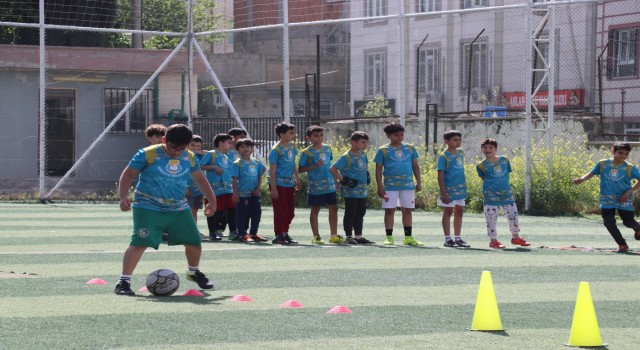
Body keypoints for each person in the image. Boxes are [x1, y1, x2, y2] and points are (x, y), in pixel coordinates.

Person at [114, 124, 216, 296]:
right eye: (172, 147)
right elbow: (128, 175)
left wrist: (212, 201)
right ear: (163, 140)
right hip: (147, 205)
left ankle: (193, 272)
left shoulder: (189, 157)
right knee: (140, 242)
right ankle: (123, 282)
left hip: (178, 207)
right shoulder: (147, 154)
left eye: (181, 149)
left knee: (194, 241)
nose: (176, 152)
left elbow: (199, 178)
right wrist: (123, 197)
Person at [573, 142, 640, 252]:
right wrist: (581, 179)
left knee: (628, 222)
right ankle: (622, 245)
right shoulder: (603, 164)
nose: (623, 156)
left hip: (624, 198)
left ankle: (637, 227)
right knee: (608, 222)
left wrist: (629, 191)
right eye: (620, 153)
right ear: (613, 151)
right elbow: (590, 174)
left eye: (626, 154)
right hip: (606, 199)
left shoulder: (630, 167)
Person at [374, 122, 423, 246]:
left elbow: (415, 166)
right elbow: (378, 170)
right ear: (388, 136)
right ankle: (389, 237)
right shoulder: (383, 150)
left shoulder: (410, 148)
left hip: (407, 185)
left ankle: (408, 237)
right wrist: (380, 187)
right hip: (390, 186)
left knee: (407, 211)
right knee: (389, 211)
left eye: (402, 134)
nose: (400, 137)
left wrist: (419, 182)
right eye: (396, 135)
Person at [476, 138, 531, 249]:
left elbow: (506, 174)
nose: (488, 150)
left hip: (506, 195)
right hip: (490, 196)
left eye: (491, 147)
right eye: (485, 147)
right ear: (481, 149)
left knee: (513, 215)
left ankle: (516, 238)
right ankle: (493, 241)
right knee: (491, 219)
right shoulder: (481, 165)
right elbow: (484, 178)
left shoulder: (504, 160)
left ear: (496, 149)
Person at [298, 125, 343, 244]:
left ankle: (333, 235)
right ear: (309, 138)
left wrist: (336, 180)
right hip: (315, 187)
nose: (319, 138)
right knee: (315, 209)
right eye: (316, 136)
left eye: (321, 135)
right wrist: (314, 166)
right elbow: (300, 169)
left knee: (334, 208)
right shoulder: (306, 152)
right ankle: (316, 236)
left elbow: (330, 166)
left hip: (329, 185)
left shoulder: (328, 148)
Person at [330, 131, 374, 244]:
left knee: (360, 213)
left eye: (366, 143)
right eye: (363, 142)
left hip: (362, 190)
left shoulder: (363, 154)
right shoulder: (346, 156)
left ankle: (358, 236)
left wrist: (367, 175)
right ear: (354, 142)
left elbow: (365, 166)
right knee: (350, 212)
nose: (365, 145)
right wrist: (342, 179)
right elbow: (333, 168)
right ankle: (349, 236)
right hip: (351, 190)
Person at [269, 121, 301, 245]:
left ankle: (285, 233)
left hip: (289, 183)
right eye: (291, 133)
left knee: (290, 211)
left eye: (294, 133)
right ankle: (278, 235)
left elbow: (293, 164)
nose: (294, 135)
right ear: (282, 134)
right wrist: (274, 187)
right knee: (280, 210)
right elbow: (272, 170)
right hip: (278, 183)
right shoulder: (276, 150)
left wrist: (297, 179)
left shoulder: (292, 147)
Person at [437, 130, 470, 248]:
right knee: (448, 212)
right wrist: (443, 192)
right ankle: (448, 239)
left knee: (459, 212)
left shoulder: (460, 152)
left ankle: (458, 238)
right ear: (446, 141)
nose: (458, 142)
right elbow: (440, 175)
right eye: (455, 140)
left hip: (460, 189)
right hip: (449, 190)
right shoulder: (443, 156)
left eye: (459, 140)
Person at [231, 138, 267, 242]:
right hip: (242, 194)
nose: (245, 149)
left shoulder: (256, 162)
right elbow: (234, 179)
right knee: (242, 214)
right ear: (238, 149)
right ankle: (242, 234)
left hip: (254, 194)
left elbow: (260, 176)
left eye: (248, 146)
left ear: (252, 149)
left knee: (256, 213)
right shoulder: (237, 163)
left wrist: (258, 189)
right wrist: (235, 193)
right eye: (242, 147)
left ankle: (254, 233)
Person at [202, 133, 237, 241]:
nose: (230, 145)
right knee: (213, 210)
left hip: (228, 189)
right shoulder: (211, 154)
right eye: (229, 143)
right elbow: (199, 166)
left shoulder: (226, 156)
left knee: (231, 210)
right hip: (214, 190)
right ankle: (212, 232)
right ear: (221, 143)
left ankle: (233, 232)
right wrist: (213, 167)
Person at [185, 135, 211, 239]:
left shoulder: (200, 155)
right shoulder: (184, 155)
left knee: (194, 210)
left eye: (198, 146)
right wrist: (184, 187)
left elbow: (211, 154)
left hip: (198, 188)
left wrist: (198, 152)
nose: (195, 148)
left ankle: (194, 230)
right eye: (192, 145)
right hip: (186, 188)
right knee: (185, 210)